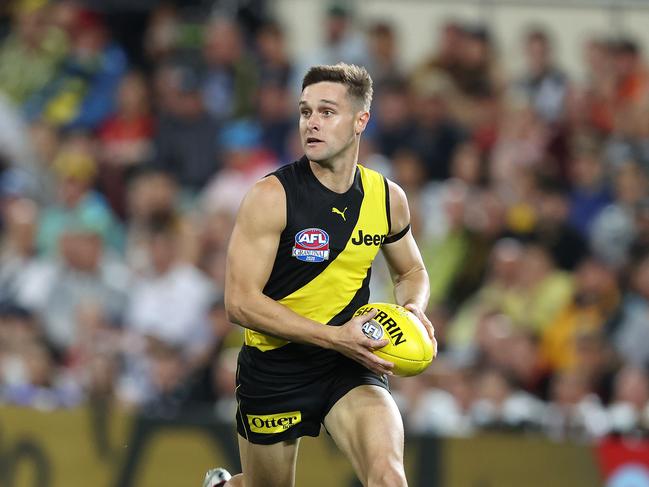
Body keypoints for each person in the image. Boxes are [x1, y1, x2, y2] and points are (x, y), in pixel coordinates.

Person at [203, 63, 435, 487]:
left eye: (327, 112)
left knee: (389, 478)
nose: (312, 122)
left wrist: (414, 308)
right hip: (276, 367)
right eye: (305, 111)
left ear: (361, 120)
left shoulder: (387, 198)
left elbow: (413, 270)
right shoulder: (270, 197)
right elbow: (239, 303)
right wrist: (336, 336)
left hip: (348, 364)